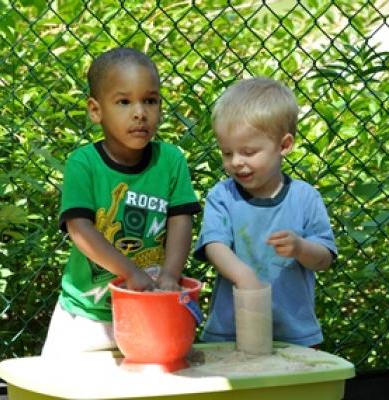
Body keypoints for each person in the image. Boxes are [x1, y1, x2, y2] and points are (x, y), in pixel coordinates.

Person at [42, 48, 201, 355]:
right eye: (124, 102)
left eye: (150, 100)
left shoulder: (170, 160)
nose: (140, 112)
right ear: (95, 110)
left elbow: (181, 219)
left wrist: (170, 274)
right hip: (85, 313)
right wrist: (130, 271)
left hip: (151, 308)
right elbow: (79, 229)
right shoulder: (84, 163)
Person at [194, 77, 337, 347]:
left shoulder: (305, 197)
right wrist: (244, 276)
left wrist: (300, 248)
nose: (236, 162)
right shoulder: (223, 195)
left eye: (248, 152)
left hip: (294, 335)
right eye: (227, 152)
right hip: (230, 332)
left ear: (284, 145)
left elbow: (324, 258)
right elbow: (214, 245)